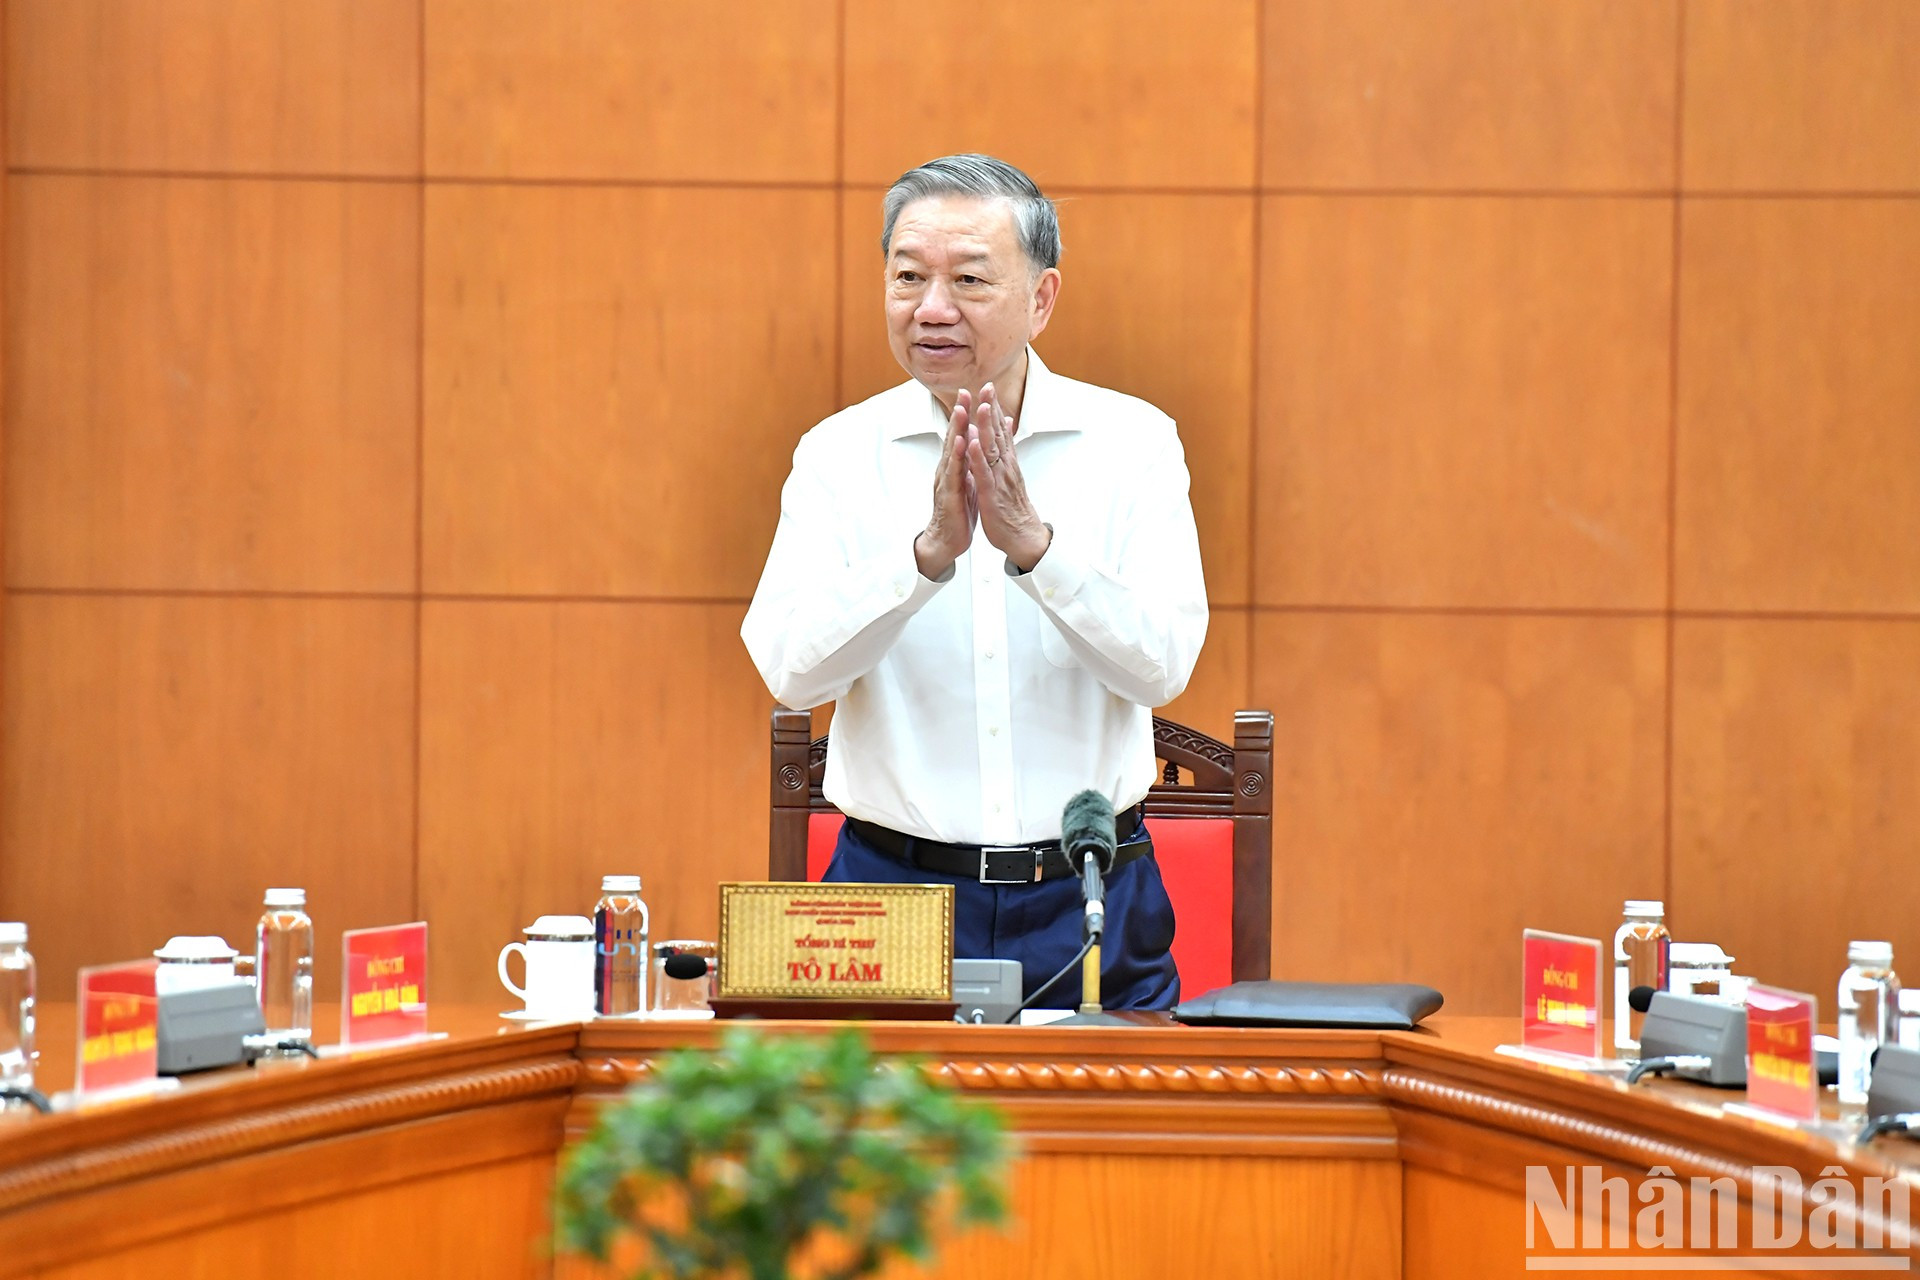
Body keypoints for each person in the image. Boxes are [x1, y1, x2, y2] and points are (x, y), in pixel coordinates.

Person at [741, 154, 1207, 1009]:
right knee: (881, 1143)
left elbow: (1162, 667)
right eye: (907, 277)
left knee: (1114, 1140)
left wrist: (1037, 551)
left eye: (968, 280)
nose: (931, 309)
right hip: (891, 894)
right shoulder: (839, 456)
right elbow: (791, 673)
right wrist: (920, 562)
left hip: (1093, 893)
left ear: (1042, 298)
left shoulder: (1133, 444)